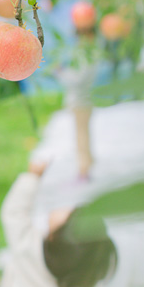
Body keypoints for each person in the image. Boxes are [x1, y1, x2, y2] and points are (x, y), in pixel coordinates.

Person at [55, 23, 100, 180]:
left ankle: (84, 168)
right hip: (83, 100)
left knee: (81, 136)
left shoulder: (87, 54)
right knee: (83, 133)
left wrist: (60, 72)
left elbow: (77, 79)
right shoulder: (90, 52)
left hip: (81, 100)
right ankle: (87, 163)